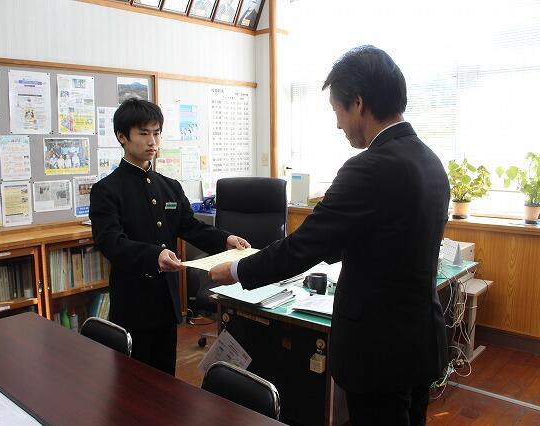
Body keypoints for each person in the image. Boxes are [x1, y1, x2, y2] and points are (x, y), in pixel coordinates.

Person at [210, 46, 450, 425]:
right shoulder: (430, 161)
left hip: (378, 349)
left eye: (337, 111)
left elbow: (303, 247)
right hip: (420, 340)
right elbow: (384, 238)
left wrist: (238, 271)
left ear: (359, 103)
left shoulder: (368, 168)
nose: (338, 124)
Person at [89, 98, 250, 375]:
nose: (152, 141)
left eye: (157, 133)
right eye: (143, 133)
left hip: (166, 301)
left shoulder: (170, 186)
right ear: (122, 136)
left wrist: (225, 240)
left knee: (165, 376)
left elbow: (190, 227)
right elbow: (111, 243)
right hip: (133, 304)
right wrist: (155, 255)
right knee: (132, 381)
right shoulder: (107, 190)